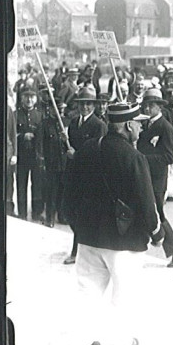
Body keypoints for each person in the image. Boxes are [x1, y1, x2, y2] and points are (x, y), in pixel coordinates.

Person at [62, 101, 165, 345]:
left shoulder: (86, 150)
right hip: (124, 241)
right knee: (123, 294)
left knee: (86, 291)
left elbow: (68, 196)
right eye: (138, 124)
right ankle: (120, 343)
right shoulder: (134, 157)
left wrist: (78, 225)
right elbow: (146, 201)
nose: (140, 128)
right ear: (128, 126)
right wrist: (156, 233)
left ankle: (80, 343)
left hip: (88, 238)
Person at [137, 88, 173, 267]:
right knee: (148, 212)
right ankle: (151, 241)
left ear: (159, 107)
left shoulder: (165, 127)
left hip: (157, 178)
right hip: (145, 176)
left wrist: (143, 159)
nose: (147, 109)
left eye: (151, 105)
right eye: (146, 105)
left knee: (157, 213)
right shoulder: (145, 125)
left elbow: (169, 156)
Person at [63, 85, 108, 265]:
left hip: (90, 176)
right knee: (67, 210)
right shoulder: (73, 123)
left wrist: (78, 155)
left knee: (82, 213)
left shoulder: (99, 126)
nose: (85, 107)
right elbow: (69, 149)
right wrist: (63, 143)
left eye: (89, 104)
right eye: (82, 104)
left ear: (94, 105)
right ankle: (84, 243)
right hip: (73, 174)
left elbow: (99, 153)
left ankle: (77, 250)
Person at [15, 86, 44, 221]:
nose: (29, 99)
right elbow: (10, 134)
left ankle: (37, 213)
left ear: (36, 99)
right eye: (26, 96)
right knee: (21, 184)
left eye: (32, 96)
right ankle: (22, 213)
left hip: (35, 155)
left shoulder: (40, 115)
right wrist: (22, 136)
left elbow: (43, 136)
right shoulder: (16, 115)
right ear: (21, 98)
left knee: (37, 184)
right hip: (21, 155)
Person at [40, 100, 69, 228]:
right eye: (57, 109)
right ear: (51, 109)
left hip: (65, 163)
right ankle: (49, 217)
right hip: (51, 163)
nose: (59, 112)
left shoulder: (67, 123)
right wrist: (41, 161)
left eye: (61, 109)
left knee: (63, 191)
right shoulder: (45, 124)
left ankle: (62, 216)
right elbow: (40, 145)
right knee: (51, 191)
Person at [6, 94, 18, 216]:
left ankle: (9, 207)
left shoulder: (8, 110)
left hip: (7, 153)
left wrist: (14, 153)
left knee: (9, 180)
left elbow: (13, 133)